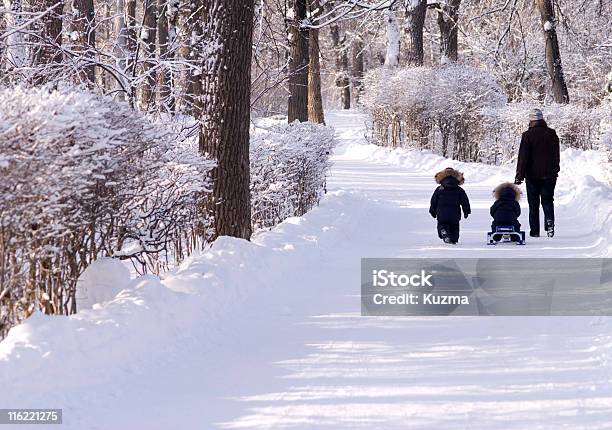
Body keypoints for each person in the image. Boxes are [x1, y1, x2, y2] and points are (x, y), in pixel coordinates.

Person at [514, 108, 560, 237]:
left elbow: (523, 157)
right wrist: (556, 169)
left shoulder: (528, 135)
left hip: (532, 175)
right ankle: (549, 223)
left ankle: (535, 231)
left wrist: (519, 176)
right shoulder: (552, 133)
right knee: (548, 200)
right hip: (550, 174)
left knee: (533, 204)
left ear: (532, 120)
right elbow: (556, 154)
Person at [429, 168, 471, 244]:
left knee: (442, 224)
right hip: (455, 213)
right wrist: (466, 211)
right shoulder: (459, 190)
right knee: (454, 226)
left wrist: (432, 211)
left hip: (442, 213)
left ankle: (443, 231)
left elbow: (434, 201)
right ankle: (454, 239)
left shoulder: (439, 189)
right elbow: (465, 201)